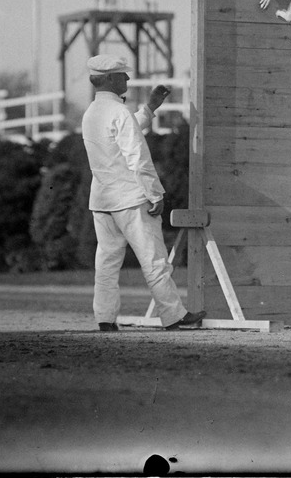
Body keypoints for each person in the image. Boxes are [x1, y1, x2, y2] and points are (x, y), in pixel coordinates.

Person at [81, 54, 206, 332]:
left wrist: (150, 108)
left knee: (107, 264)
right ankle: (173, 316)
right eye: (123, 75)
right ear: (111, 79)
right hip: (130, 199)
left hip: (103, 201)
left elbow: (123, 131)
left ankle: (105, 319)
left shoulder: (92, 113)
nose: (127, 78)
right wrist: (155, 193)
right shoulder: (119, 113)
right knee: (154, 261)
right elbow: (137, 155)